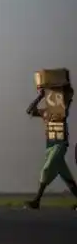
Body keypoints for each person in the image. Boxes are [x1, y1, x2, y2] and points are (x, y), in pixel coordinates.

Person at [23, 79, 77, 210]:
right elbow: (29, 110)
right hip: (50, 147)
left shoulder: (61, 111)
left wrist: (64, 91)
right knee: (67, 177)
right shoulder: (45, 112)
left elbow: (70, 96)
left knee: (46, 170)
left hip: (60, 145)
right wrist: (40, 96)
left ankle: (37, 200)